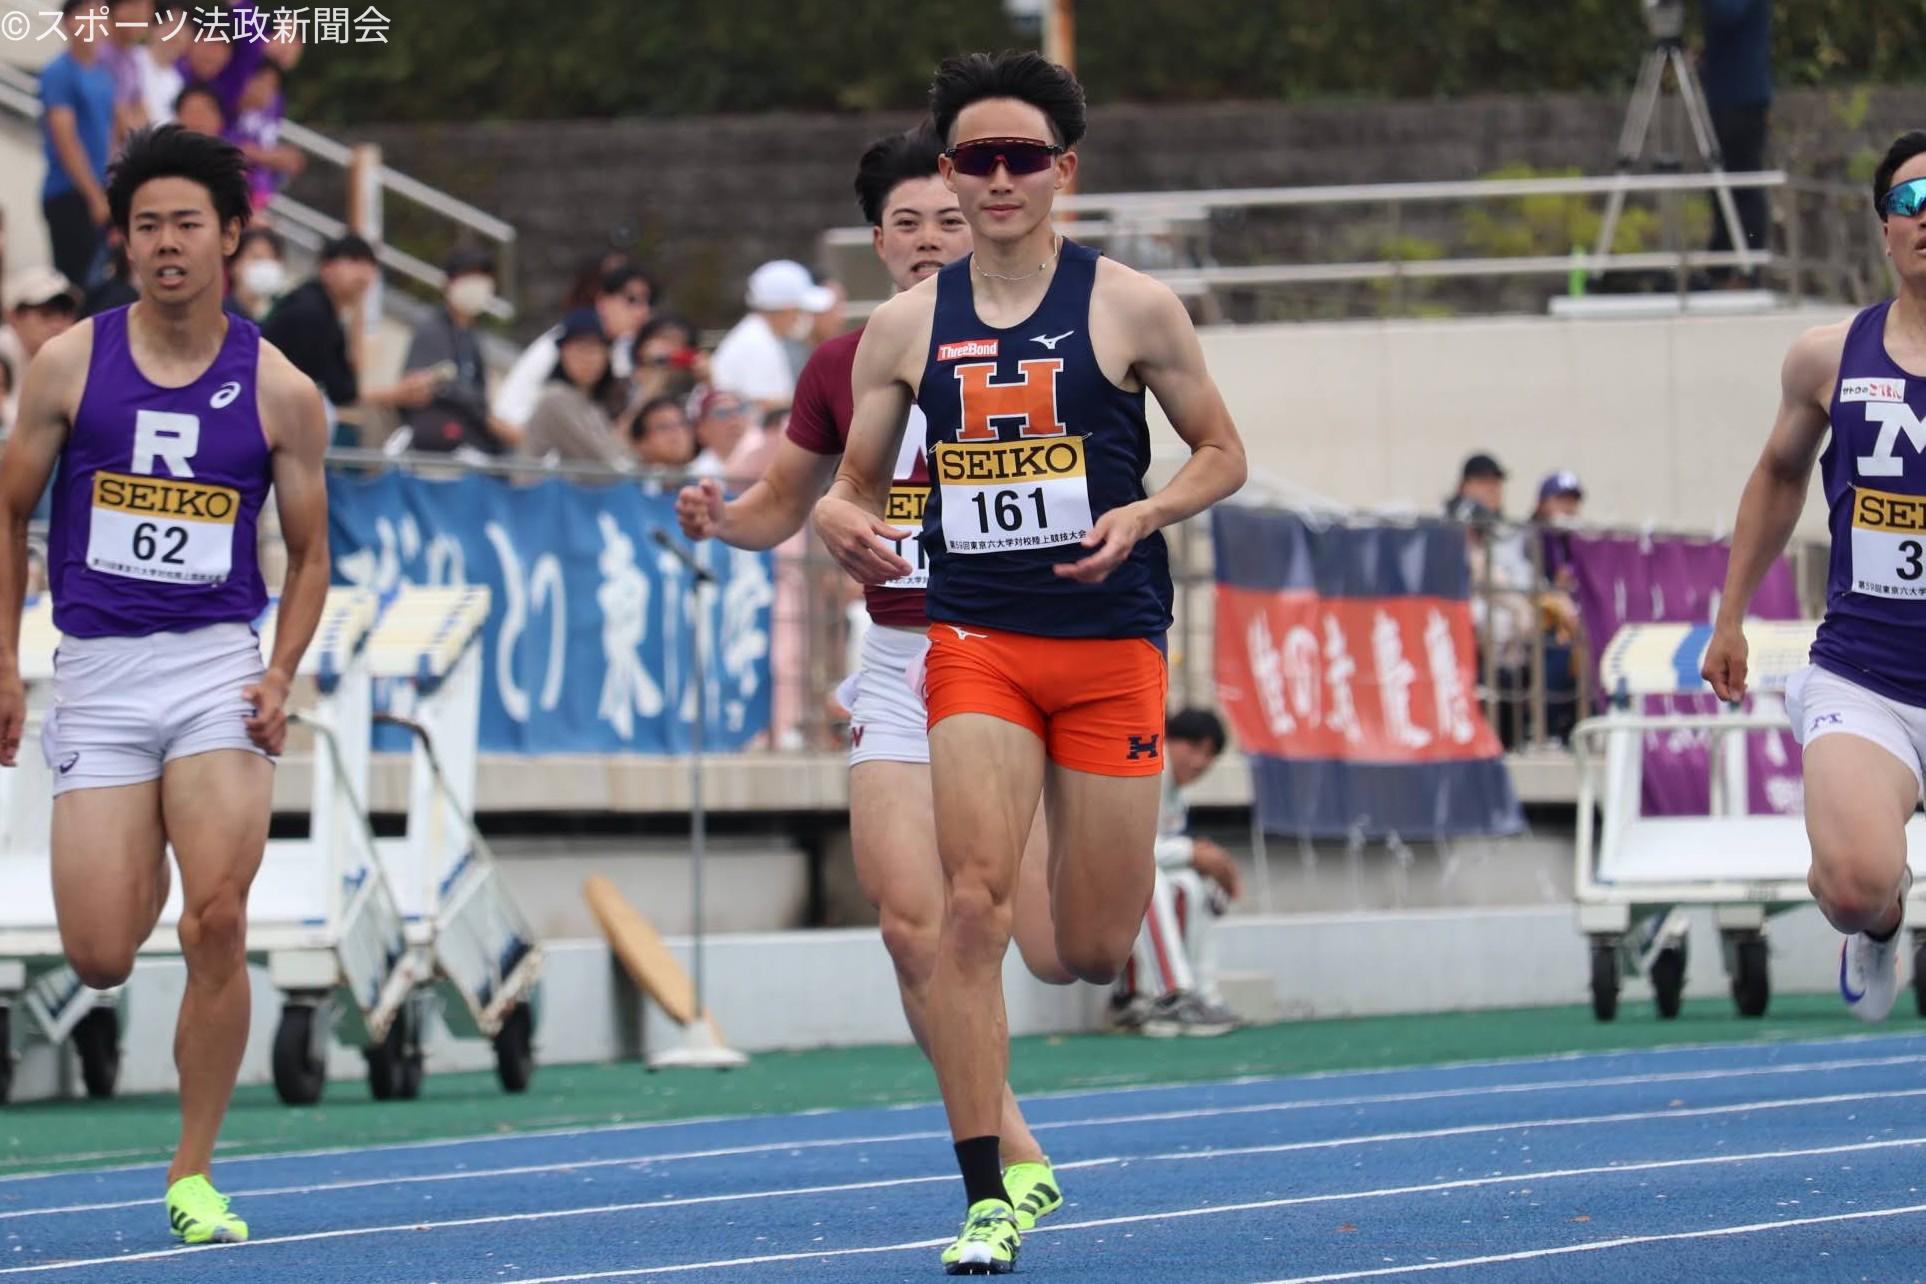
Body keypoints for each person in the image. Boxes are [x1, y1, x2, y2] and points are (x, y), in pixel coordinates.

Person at [811, 52, 1247, 1273]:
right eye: (976, 158)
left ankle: (1066, 815)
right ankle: (988, 1193)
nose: (997, 180)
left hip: (1108, 648)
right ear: (950, 170)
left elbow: (1223, 452)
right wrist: (840, 520)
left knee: (1093, 949)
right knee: (969, 908)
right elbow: (852, 487)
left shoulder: (1134, 307)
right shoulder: (903, 330)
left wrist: (1145, 514)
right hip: (976, 644)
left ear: (1065, 170)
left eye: (1021, 158)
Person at [679, 124, 1074, 1244]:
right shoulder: (838, 366)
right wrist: (720, 519)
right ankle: (1010, 1153)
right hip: (901, 663)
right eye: (908, 224)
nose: (931, 239)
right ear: (878, 243)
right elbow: (779, 504)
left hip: (1019, 655)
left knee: (1058, 947)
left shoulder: (1045, 343)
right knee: (911, 928)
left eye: (948, 218)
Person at [0, 124, 330, 1244]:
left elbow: (311, 556)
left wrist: (279, 672)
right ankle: (132, 858)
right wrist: (4, 662)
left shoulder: (281, 389)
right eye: (147, 226)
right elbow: (8, 512)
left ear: (230, 235)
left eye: (188, 223)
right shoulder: (68, 364)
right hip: (97, 673)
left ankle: (193, 1174)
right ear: (126, 242)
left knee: (218, 919)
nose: (167, 244)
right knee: (99, 954)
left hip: (214, 669)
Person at [1703, 130, 1926, 1027]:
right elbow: (1778, 474)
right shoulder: (1827, 357)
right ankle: (1879, 926)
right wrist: (1730, 616)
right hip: (1867, 677)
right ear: (1885, 230)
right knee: (1853, 885)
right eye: (1912, 201)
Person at [1104, 707, 1243, 1037]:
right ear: (1168, 740)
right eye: (1193, 747)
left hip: (1117, 888)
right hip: (1081, 884)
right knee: (1151, 883)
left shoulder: (1176, 794)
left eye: (1209, 754)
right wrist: (1191, 852)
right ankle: (1167, 997)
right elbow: (1122, 847)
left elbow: (1163, 849)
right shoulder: (1148, 769)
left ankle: (1198, 994)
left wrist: (1206, 861)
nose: (1200, 761)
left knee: (1190, 884)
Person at [261, 234, 433, 445]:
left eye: (370, 265)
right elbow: (337, 390)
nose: (364, 273)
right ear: (326, 267)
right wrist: (397, 393)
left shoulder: (325, 311)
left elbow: (342, 387)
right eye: (354, 260)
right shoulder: (310, 312)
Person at [38, 0, 118, 289]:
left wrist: (108, 189)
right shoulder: (59, 72)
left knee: (97, 286)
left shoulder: (103, 76)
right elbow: (65, 139)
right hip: (68, 193)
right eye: (87, 14)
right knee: (72, 285)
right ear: (69, 21)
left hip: (100, 195)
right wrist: (94, 196)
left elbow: (110, 136)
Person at [1701, 0, 1772, 283]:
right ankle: (1722, 265)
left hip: (1742, 98)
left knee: (1743, 182)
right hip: (1724, 96)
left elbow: (1727, 14)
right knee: (1721, 181)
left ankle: (1747, 267)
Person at [709, 260, 838, 411]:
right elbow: (764, 405)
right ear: (786, 309)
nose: (803, 317)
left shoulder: (761, 335)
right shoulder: (756, 343)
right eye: (800, 309)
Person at [521, 308, 631, 468]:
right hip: (545, 484)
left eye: (597, 350)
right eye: (582, 349)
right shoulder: (556, 398)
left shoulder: (590, 403)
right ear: (563, 353)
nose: (589, 359)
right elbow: (602, 460)